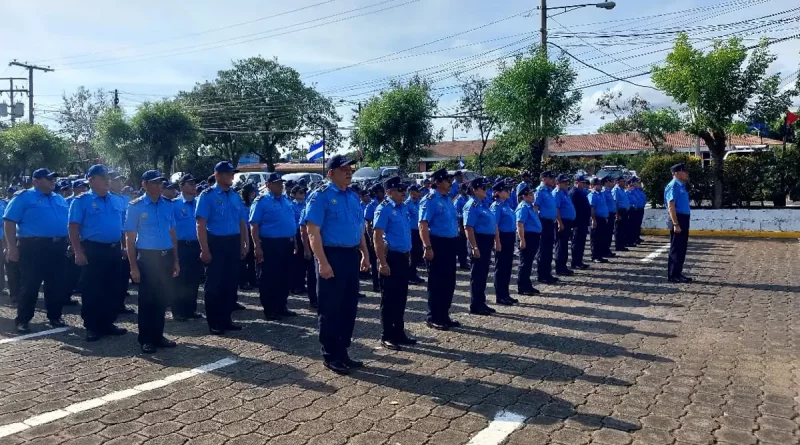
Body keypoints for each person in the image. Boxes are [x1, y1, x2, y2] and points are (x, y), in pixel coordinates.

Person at [305, 155, 370, 375]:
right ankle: (331, 355)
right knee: (330, 308)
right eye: (344, 170)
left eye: (350, 169)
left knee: (349, 308)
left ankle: (343, 351)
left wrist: (365, 254)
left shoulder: (352, 196)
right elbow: (312, 232)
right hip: (331, 255)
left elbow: (359, 228)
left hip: (350, 255)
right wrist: (322, 262)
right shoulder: (321, 196)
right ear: (331, 173)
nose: (349, 172)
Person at [3, 168, 69, 333]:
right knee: (30, 284)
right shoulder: (24, 197)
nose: (53, 181)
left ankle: (55, 316)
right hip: (33, 247)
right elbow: (9, 221)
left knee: (56, 284)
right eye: (49, 179)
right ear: (36, 181)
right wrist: (11, 246)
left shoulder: (59, 198)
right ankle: (23, 319)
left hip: (57, 246)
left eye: (53, 179)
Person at [68, 164, 129, 342]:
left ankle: (107, 323)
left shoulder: (116, 200)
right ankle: (92, 326)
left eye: (108, 178)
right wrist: (78, 252)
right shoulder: (81, 201)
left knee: (112, 288)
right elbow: (73, 228)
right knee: (92, 289)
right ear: (91, 180)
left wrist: (124, 246)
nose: (107, 181)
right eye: (103, 178)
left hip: (113, 249)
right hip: (93, 249)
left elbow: (123, 227)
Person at [125, 170, 179, 353]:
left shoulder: (168, 205)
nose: (158, 186)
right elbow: (130, 239)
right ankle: (146, 338)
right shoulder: (136, 206)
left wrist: (176, 260)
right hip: (148, 259)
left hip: (166, 256)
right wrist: (133, 267)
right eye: (154, 183)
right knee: (147, 300)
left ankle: (158, 335)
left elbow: (172, 234)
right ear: (144, 185)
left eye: (160, 183)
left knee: (162, 299)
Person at [196, 161, 249, 335]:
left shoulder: (235, 195)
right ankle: (214, 322)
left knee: (230, 283)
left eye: (232, 173)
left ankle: (226, 319)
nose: (231, 176)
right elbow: (201, 224)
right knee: (214, 285)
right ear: (217, 175)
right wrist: (204, 249)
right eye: (227, 173)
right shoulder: (207, 195)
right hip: (216, 242)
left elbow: (241, 221)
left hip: (233, 242)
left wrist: (243, 242)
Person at [373, 176, 416, 351]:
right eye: (399, 190)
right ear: (389, 192)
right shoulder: (383, 209)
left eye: (404, 190)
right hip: (390, 257)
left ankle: (399, 332)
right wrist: (382, 262)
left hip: (403, 256)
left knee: (401, 297)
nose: (403, 193)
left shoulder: (403, 208)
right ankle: (387, 335)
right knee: (389, 298)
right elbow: (376, 236)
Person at [250, 173, 297, 320]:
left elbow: (290, 222)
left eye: (281, 183)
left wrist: (294, 240)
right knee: (269, 278)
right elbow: (254, 225)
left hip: (287, 243)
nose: (280, 186)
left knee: (285, 276)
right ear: (269, 185)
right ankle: (270, 309)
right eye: (277, 183)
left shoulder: (286, 200)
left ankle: (281, 306)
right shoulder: (262, 201)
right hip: (270, 244)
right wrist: (257, 246)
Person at [418, 168, 460, 330]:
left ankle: (444, 314)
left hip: (450, 243)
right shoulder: (430, 199)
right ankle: (434, 316)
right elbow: (423, 225)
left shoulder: (448, 198)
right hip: (437, 243)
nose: (450, 183)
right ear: (438, 182)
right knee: (436, 282)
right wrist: (427, 247)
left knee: (449, 281)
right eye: (447, 180)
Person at [463, 177, 499, 315]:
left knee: (483, 274)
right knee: (477, 274)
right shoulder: (472, 205)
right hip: (478, 240)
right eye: (483, 188)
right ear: (474, 190)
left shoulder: (483, 204)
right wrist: (474, 246)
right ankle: (476, 304)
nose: (486, 190)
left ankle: (481, 302)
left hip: (486, 241)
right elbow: (468, 227)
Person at [172, 174, 204, 321]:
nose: (193, 186)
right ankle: (178, 311)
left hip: (197, 245)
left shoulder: (199, 203)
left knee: (194, 279)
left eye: (194, 183)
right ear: (181, 186)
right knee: (180, 280)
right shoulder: (174, 204)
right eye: (190, 183)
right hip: (181, 246)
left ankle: (191, 309)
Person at [490, 181, 517, 306]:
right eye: (506, 191)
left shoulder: (506, 205)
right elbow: (494, 225)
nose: (508, 192)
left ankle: (505, 294)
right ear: (498, 193)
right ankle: (500, 295)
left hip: (509, 237)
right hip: (502, 237)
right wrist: (497, 241)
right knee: (501, 267)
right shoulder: (496, 206)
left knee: (507, 266)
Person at [665, 163, 692, 283]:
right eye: (684, 171)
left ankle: (678, 273)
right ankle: (673, 275)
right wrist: (675, 224)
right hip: (678, 218)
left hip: (683, 218)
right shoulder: (673, 186)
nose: (686, 173)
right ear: (676, 173)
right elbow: (671, 206)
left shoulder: (681, 185)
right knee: (676, 248)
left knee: (682, 248)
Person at [515, 186, 541, 295]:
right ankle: (522, 287)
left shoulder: (530, 207)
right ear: (524, 196)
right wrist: (522, 240)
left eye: (532, 194)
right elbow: (520, 225)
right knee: (524, 263)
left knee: (529, 263)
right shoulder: (523, 207)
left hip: (533, 236)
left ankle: (528, 285)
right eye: (530, 195)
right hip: (527, 236)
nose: (532, 196)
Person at [534, 171, 558, 284]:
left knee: (549, 249)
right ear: (544, 179)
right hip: (543, 222)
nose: (553, 180)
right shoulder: (540, 191)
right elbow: (535, 207)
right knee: (543, 249)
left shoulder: (549, 191)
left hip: (550, 223)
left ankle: (547, 273)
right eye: (550, 178)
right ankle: (542, 274)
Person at [553, 174, 577, 276]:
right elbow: (556, 209)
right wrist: (559, 222)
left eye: (567, 182)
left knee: (564, 245)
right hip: (562, 222)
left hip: (567, 222)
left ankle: (563, 266)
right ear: (558, 183)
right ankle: (560, 267)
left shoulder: (564, 193)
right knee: (561, 245)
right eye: (564, 182)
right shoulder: (557, 193)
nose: (567, 184)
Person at [363, 183, 384, 292]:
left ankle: (383, 282)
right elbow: (368, 223)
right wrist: (371, 238)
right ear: (376, 193)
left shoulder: (384, 203)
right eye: (380, 191)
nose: (383, 193)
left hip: (384, 237)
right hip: (373, 236)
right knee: (375, 261)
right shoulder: (371, 205)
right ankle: (376, 285)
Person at [298, 196, 318, 309]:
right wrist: (306, 248)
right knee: (312, 274)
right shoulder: (307, 209)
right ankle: (313, 299)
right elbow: (303, 231)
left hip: (326, 245)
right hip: (312, 244)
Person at [239, 182, 258, 291]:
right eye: (251, 192)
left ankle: (252, 280)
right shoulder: (242, 205)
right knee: (243, 258)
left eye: (254, 192)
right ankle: (243, 281)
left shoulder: (254, 203)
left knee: (252, 259)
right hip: (243, 232)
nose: (253, 194)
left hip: (252, 232)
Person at [569, 175, 591, 270]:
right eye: (582, 182)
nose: (584, 184)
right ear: (577, 182)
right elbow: (573, 208)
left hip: (583, 221)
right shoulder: (574, 192)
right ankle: (575, 262)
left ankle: (579, 261)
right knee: (576, 243)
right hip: (578, 221)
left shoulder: (580, 192)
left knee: (581, 243)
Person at [405, 185, 424, 284]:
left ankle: (414, 274)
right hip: (411, 232)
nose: (419, 193)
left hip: (418, 231)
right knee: (412, 254)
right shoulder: (407, 204)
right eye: (417, 191)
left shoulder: (418, 202)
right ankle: (410, 276)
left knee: (417, 254)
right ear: (412, 192)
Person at [291, 186, 308, 294]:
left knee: (305, 262)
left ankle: (302, 284)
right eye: (300, 192)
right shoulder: (292, 205)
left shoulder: (306, 204)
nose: (303, 194)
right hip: (296, 233)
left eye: (303, 192)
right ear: (294, 194)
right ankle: (296, 285)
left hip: (306, 233)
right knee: (297, 262)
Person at [4, 186, 20, 302]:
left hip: (21, 239)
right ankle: (14, 293)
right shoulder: (4, 204)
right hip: (8, 237)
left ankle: (21, 292)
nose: (12, 194)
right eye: (10, 192)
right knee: (12, 268)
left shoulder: (21, 205)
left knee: (22, 269)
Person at [588, 178, 610, 264]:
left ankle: (599, 255)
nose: (600, 185)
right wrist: (593, 219)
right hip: (596, 218)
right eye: (598, 184)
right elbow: (591, 208)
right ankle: (595, 256)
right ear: (593, 186)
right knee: (595, 239)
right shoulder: (592, 195)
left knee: (601, 238)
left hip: (602, 218)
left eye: (600, 184)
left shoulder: (601, 194)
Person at [453, 183, 470, 270]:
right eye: (463, 189)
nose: (465, 190)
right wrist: (460, 227)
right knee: (461, 245)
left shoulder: (467, 198)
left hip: (466, 222)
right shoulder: (458, 200)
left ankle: (465, 261)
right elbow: (457, 215)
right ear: (460, 190)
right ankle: (462, 263)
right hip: (460, 222)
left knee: (465, 244)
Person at [613, 175, 631, 252]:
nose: (624, 182)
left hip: (624, 211)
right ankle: (618, 245)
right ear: (618, 182)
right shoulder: (616, 190)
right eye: (622, 181)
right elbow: (615, 203)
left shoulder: (622, 189)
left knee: (623, 229)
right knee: (618, 229)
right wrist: (617, 214)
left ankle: (622, 245)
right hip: (619, 211)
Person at [602, 177, 617, 258]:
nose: (611, 183)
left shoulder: (609, 191)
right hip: (608, 214)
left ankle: (607, 249)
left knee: (609, 233)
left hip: (611, 214)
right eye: (610, 181)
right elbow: (604, 204)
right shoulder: (604, 192)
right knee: (606, 234)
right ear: (606, 182)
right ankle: (605, 250)